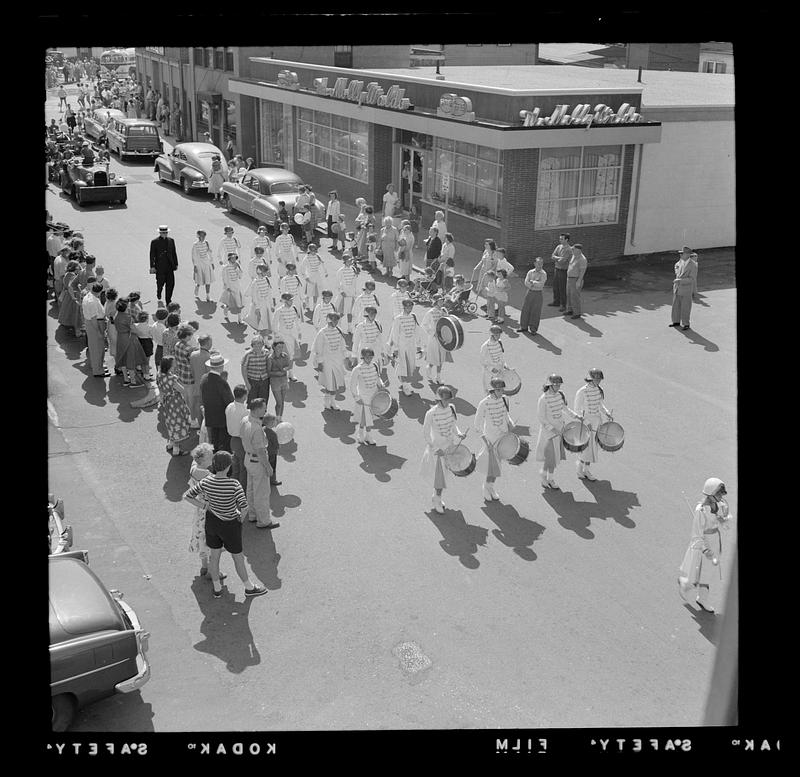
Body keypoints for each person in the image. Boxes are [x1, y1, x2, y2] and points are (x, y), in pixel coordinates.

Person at [182, 450, 269, 598]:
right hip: (230, 525)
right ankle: (249, 587)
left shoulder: (206, 481)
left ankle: (217, 589)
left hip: (212, 522)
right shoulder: (233, 484)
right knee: (238, 557)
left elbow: (188, 496)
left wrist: (205, 506)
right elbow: (244, 506)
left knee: (214, 557)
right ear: (228, 467)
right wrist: (239, 520)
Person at [678, 478, 733, 613]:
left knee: (706, 573)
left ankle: (696, 593)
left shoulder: (721, 506)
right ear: (710, 493)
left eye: (722, 493)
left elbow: (727, 526)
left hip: (715, 541)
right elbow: (696, 534)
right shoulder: (701, 510)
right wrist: (705, 549)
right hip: (704, 544)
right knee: (701, 571)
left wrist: (724, 519)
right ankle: (688, 586)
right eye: (719, 493)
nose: (721, 496)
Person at [421, 385, 466, 514]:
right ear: (439, 399)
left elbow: (453, 425)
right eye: (446, 400)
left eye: (449, 400)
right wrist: (435, 448)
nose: (448, 402)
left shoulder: (452, 408)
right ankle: (437, 499)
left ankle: (436, 496)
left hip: (449, 445)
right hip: (438, 448)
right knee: (439, 476)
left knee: (445, 475)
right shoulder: (431, 413)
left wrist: (459, 434)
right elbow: (425, 433)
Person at [239, 398, 279, 530]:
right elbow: (261, 451)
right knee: (261, 492)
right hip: (257, 461)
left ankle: (252, 514)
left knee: (250, 489)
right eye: (263, 408)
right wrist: (268, 467)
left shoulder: (245, 420)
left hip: (248, 458)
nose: (265, 410)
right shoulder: (256, 428)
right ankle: (263, 521)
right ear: (256, 410)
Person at [474, 378, 516, 502]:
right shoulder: (484, 403)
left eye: (502, 389)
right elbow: (477, 424)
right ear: (493, 390)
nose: (501, 392)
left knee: (498, 466)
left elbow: (506, 415)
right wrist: (485, 440)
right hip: (490, 439)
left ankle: (491, 487)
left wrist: (511, 423)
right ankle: (486, 487)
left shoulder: (504, 399)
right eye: (499, 390)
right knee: (491, 466)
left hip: (502, 437)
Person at [535, 374, 579, 489]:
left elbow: (564, 408)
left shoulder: (560, 395)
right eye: (556, 385)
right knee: (550, 456)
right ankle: (545, 477)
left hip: (559, 430)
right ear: (550, 385)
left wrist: (576, 416)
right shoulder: (543, 399)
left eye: (559, 384)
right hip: (548, 433)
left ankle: (550, 478)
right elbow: (541, 418)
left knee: (555, 457)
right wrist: (553, 430)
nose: (558, 387)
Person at [572, 368, 612, 481]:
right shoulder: (582, 391)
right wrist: (585, 422)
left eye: (600, 379)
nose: (598, 381)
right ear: (590, 378)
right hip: (585, 423)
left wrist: (607, 413)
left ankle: (586, 470)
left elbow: (600, 405)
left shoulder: (599, 390)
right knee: (585, 448)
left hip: (596, 421)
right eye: (596, 379)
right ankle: (579, 470)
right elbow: (577, 410)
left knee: (593, 448)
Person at [188, 443, 217, 577]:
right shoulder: (207, 475)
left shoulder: (193, 469)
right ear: (204, 460)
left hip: (199, 509)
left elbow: (195, 460)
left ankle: (204, 566)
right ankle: (213, 571)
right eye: (210, 456)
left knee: (201, 537)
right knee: (211, 540)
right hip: (209, 509)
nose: (212, 458)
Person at [157, 356, 193, 456]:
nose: (175, 365)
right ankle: (176, 449)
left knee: (171, 423)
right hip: (175, 403)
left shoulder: (160, 374)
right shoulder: (171, 378)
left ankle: (171, 443)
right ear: (169, 366)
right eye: (173, 364)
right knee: (178, 424)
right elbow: (182, 390)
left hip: (167, 402)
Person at [350, 347, 386, 445]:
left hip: (374, 395)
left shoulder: (375, 365)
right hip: (364, 396)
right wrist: (357, 397)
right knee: (366, 417)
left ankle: (363, 434)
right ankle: (365, 435)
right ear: (362, 357)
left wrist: (381, 385)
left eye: (371, 357)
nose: (369, 359)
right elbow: (352, 385)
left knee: (368, 417)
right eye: (367, 357)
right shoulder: (357, 369)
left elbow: (378, 378)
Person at [312, 312, 347, 411]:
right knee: (330, 382)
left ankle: (332, 401)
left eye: (337, 320)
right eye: (334, 320)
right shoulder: (322, 332)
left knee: (335, 383)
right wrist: (319, 362)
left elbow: (342, 345)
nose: (335, 322)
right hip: (327, 361)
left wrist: (347, 357)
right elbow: (318, 348)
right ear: (329, 320)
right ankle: (328, 402)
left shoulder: (339, 331)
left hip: (337, 361)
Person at [389, 298, 425, 396]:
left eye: (411, 306)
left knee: (409, 365)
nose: (409, 308)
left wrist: (418, 346)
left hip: (411, 345)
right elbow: (395, 334)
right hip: (401, 345)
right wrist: (396, 348)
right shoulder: (398, 318)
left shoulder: (413, 316)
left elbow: (417, 331)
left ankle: (402, 380)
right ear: (404, 306)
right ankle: (405, 386)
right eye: (407, 306)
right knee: (403, 366)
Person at [200, 353, 235, 453]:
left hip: (210, 417)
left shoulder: (203, 378)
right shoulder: (221, 382)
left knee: (214, 443)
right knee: (225, 445)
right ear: (221, 366)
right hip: (222, 418)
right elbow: (230, 401)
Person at [115, 298, 148, 386]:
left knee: (123, 359)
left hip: (120, 338)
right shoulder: (128, 317)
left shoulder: (117, 316)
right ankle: (133, 381)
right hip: (129, 338)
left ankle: (126, 379)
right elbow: (134, 329)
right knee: (130, 359)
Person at [420, 294, 452, 384]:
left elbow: (448, 323)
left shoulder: (444, 311)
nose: (442, 302)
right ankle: (429, 367)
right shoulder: (430, 312)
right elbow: (424, 324)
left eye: (442, 300)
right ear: (435, 302)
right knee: (434, 357)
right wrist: (432, 333)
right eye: (440, 301)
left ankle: (438, 376)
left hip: (443, 338)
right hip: (434, 338)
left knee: (441, 358)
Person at [173, 325, 200, 427]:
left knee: (186, 398)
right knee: (191, 400)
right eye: (190, 335)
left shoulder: (177, 344)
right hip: (189, 376)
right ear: (187, 336)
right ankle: (192, 420)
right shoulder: (189, 349)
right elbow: (193, 362)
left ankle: (187, 416)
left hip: (181, 374)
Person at [82, 283, 110, 378]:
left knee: (97, 348)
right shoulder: (92, 301)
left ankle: (98, 366)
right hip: (95, 324)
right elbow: (94, 318)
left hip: (92, 323)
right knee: (97, 349)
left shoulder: (89, 296)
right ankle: (97, 371)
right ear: (100, 291)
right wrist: (98, 331)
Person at [273, 294, 302, 380]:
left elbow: (297, 321)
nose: (291, 302)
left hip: (292, 335)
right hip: (283, 336)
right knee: (283, 355)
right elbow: (274, 324)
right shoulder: (279, 311)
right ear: (284, 301)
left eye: (291, 300)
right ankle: (283, 373)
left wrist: (299, 332)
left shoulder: (294, 309)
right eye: (289, 300)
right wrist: (277, 335)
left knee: (292, 355)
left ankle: (291, 373)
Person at [670, 245, 698, 331]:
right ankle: (676, 321)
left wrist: (680, 280)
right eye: (680, 253)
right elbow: (676, 267)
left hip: (686, 289)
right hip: (677, 288)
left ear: (687, 254)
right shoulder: (679, 262)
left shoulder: (693, 265)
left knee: (685, 307)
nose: (680, 255)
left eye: (682, 253)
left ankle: (686, 324)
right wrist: (678, 276)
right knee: (676, 306)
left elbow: (692, 279)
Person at [149, 225, 179, 305]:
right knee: (160, 283)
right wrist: (152, 266)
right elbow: (152, 254)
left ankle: (168, 300)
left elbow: (174, 253)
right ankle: (159, 292)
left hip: (169, 266)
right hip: (160, 267)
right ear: (160, 233)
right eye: (163, 232)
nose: (165, 234)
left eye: (166, 232)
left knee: (171, 283)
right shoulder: (154, 242)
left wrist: (176, 263)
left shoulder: (171, 240)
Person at [518, 257, 547, 335]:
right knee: (525, 309)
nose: (540, 265)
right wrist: (532, 285)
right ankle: (523, 326)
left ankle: (533, 329)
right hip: (529, 292)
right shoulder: (530, 272)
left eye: (541, 263)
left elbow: (541, 284)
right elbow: (526, 282)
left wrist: (533, 282)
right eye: (538, 263)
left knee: (535, 311)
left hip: (538, 294)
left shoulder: (543, 274)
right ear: (535, 264)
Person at [243, 263, 274, 334]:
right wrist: (257, 307)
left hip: (266, 304)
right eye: (265, 272)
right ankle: (258, 332)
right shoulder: (255, 282)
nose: (267, 273)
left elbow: (269, 293)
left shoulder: (266, 280)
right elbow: (254, 295)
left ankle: (260, 332)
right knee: (259, 318)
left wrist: (271, 305)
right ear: (260, 272)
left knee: (265, 319)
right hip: (259, 304)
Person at [240, 335, 271, 406]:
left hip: (264, 381)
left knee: (263, 402)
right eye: (255, 345)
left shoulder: (266, 353)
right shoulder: (248, 355)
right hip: (252, 381)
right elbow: (243, 368)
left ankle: (261, 416)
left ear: (263, 345)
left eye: (259, 345)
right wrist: (247, 383)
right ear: (252, 346)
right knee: (252, 402)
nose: (257, 348)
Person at [268, 338, 292, 422]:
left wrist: (287, 368)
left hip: (284, 381)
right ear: (274, 347)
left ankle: (279, 418)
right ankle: (277, 418)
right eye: (278, 347)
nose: (280, 349)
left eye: (282, 347)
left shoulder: (285, 356)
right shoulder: (270, 358)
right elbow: (268, 372)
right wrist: (277, 373)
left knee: (282, 402)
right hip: (275, 382)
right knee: (279, 402)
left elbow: (289, 365)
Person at [479, 325, 508, 392]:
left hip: (499, 370)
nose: (499, 337)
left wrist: (505, 365)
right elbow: (482, 360)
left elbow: (501, 355)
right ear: (492, 335)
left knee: (500, 391)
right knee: (490, 391)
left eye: (499, 335)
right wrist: (491, 368)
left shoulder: (499, 342)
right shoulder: (485, 346)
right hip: (489, 372)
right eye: (497, 335)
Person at [57, 260, 83, 334]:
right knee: (75, 313)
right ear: (75, 268)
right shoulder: (72, 276)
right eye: (78, 268)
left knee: (67, 311)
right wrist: (73, 298)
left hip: (67, 296)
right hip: (73, 295)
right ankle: (77, 330)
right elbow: (70, 287)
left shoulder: (67, 274)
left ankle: (67, 323)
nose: (79, 270)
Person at [219, 253, 245, 325]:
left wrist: (238, 268)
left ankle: (239, 319)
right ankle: (226, 308)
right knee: (229, 302)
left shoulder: (237, 266)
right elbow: (224, 278)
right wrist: (227, 287)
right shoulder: (225, 267)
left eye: (235, 258)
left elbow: (240, 276)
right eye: (232, 258)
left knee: (239, 303)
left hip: (237, 286)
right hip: (230, 287)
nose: (234, 260)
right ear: (229, 259)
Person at [472, 239, 499, 306]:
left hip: (489, 273)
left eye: (487, 244)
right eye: (485, 244)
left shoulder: (494, 253)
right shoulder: (485, 252)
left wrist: (489, 271)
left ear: (490, 245)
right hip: (483, 271)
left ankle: (489, 303)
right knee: (482, 287)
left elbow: (495, 264)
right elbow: (482, 261)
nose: (485, 245)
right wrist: (476, 267)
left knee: (488, 288)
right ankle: (488, 302)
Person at [301, 244, 327, 312]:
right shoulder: (306, 258)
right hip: (310, 276)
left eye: (315, 250)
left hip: (317, 276)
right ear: (309, 250)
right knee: (309, 293)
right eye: (312, 250)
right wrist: (306, 277)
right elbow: (302, 269)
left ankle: (315, 306)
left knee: (316, 292)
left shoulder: (318, 256)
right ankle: (306, 302)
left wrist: (325, 272)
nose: (314, 252)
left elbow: (322, 264)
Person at [549, 233, 572, 311]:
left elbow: (563, 261)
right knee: (555, 286)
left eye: (562, 239)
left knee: (562, 288)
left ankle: (563, 305)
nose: (560, 240)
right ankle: (556, 301)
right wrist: (558, 258)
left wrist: (557, 258)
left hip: (563, 270)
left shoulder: (569, 249)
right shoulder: (558, 247)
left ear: (566, 240)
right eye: (560, 239)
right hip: (557, 269)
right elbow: (552, 256)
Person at [336, 254, 358, 333]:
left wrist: (355, 292)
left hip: (351, 294)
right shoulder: (341, 271)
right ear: (344, 262)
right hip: (344, 294)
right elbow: (338, 283)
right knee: (342, 312)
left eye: (351, 261)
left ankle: (349, 327)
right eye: (348, 261)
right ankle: (337, 323)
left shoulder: (353, 270)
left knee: (350, 312)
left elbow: (354, 282)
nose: (350, 262)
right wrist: (341, 291)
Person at [565, 243, 588, 319]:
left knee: (575, 296)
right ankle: (570, 310)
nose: (572, 250)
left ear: (578, 250)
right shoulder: (574, 256)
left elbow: (582, 271)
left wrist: (579, 281)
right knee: (569, 295)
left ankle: (577, 313)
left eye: (574, 249)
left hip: (576, 279)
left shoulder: (582, 259)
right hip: (570, 278)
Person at [192, 230, 215, 301]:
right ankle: (197, 286)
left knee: (208, 280)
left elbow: (210, 253)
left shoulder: (207, 243)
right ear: (198, 236)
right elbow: (194, 256)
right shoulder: (195, 245)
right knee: (199, 279)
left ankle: (208, 296)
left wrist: (212, 262)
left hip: (206, 263)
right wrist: (195, 265)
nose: (203, 237)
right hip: (199, 263)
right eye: (201, 236)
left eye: (204, 236)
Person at [262, 414, 281, 486]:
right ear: (271, 423)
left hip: (266, 452)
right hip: (272, 453)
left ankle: (265, 479)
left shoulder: (263, 429)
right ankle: (273, 480)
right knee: (273, 466)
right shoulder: (273, 434)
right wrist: (278, 448)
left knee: (266, 465)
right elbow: (276, 444)